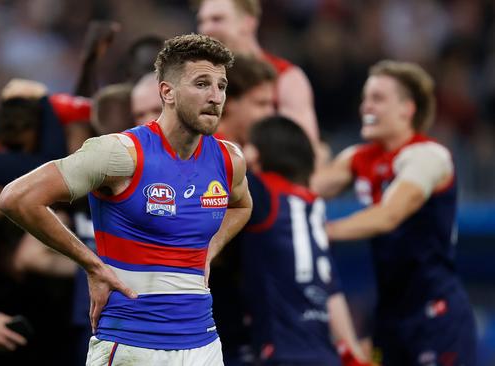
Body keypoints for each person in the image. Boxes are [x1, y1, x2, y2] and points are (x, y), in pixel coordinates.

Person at [0, 33, 252, 365]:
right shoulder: (120, 153)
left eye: (221, 85)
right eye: (202, 84)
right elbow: (17, 198)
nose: (215, 96)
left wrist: (211, 249)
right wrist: (92, 265)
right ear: (168, 92)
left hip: (203, 345)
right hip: (131, 345)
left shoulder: (228, 158)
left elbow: (242, 205)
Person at [312, 60, 477, 365]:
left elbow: (389, 215)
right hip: (389, 316)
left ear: (407, 108)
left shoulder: (428, 156)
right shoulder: (358, 158)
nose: (366, 106)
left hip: (436, 313)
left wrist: (322, 231)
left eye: (378, 98)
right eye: (365, 98)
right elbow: (307, 188)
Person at [241, 116, 369, 366]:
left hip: (283, 352)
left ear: (256, 153)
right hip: (324, 353)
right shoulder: (313, 204)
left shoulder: (262, 192)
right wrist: (354, 355)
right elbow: (332, 291)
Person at [196, 0, 319, 147]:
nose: (206, 29)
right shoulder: (197, 76)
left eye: (217, 19)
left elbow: (305, 152)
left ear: (248, 23)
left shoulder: (286, 78)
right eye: (202, 21)